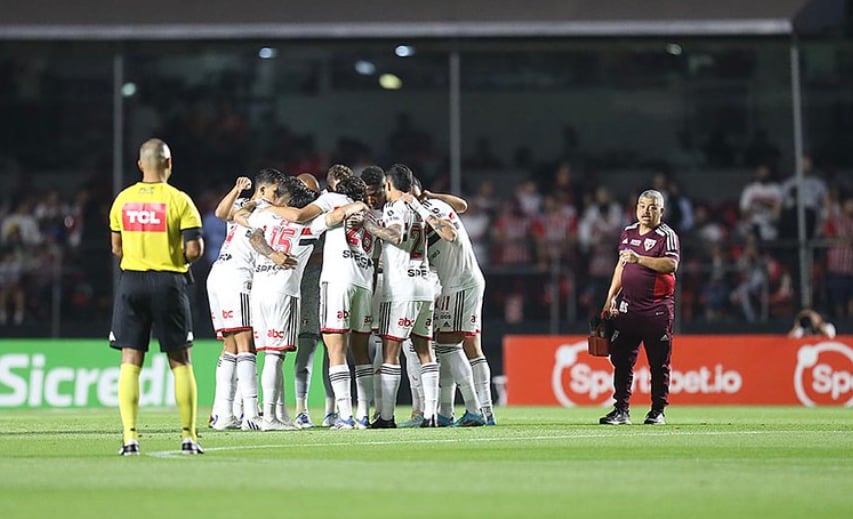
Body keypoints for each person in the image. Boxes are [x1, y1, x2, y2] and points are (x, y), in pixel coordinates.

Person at [109, 138, 205, 455]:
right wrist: (174, 256)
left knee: (130, 359)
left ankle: (129, 437)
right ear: (169, 163)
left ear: (140, 164)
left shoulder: (122, 200)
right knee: (180, 360)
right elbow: (194, 249)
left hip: (132, 282)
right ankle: (188, 436)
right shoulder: (179, 200)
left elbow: (116, 248)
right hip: (168, 282)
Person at [362, 164, 438, 428]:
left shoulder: (394, 207)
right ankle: (431, 415)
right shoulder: (420, 208)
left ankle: (386, 417)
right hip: (425, 285)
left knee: (390, 353)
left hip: (402, 288)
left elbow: (396, 233)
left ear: (390, 186)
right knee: (425, 352)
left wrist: (372, 228)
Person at [206, 171, 280, 431]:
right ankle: (250, 413)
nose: (277, 196)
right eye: (274, 191)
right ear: (263, 190)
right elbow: (220, 212)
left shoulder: (249, 208)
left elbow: (223, 214)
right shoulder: (258, 208)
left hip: (219, 276)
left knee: (230, 347)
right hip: (236, 277)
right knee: (246, 343)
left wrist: (245, 198)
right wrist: (240, 193)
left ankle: (223, 413)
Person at [599, 189, 680, 426]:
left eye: (653, 207)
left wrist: (639, 259)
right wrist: (609, 298)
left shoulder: (667, 235)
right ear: (636, 208)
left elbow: (670, 265)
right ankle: (621, 410)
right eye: (643, 206)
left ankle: (657, 410)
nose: (647, 211)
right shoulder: (628, 232)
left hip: (656, 310)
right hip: (628, 309)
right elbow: (620, 267)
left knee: (658, 363)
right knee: (621, 360)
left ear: (661, 211)